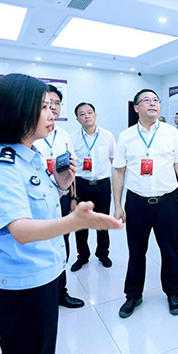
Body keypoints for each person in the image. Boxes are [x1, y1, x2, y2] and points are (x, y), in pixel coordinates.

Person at [0, 73, 121, 354]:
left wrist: (61, 185)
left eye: (52, 106)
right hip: (24, 288)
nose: (52, 113)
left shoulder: (28, 158)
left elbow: (36, 208)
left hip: (44, 277)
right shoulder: (3, 168)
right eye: (43, 107)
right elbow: (21, 230)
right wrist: (75, 222)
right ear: (18, 111)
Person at [113, 89, 178, 318]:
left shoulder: (171, 133)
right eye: (146, 100)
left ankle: (173, 292)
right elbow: (118, 171)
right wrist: (117, 205)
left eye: (156, 100)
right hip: (136, 203)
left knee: (169, 250)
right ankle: (133, 295)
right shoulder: (126, 136)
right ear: (136, 108)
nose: (152, 103)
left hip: (166, 202)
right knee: (136, 251)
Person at [33, 85, 84, 309]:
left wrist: (73, 198)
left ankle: (61, 291)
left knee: (62, 242)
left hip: (61, 196)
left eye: (56, 103)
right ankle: (42, 293)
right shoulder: (31, 134)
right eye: (47, 103)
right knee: (41, 244)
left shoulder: (63, 135)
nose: (53, 108)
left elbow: (72, 169)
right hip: (38, 199)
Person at [69, 103, 116, 271]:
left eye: (89, 112)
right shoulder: (73, 138)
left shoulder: (108, 136)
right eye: (82, 114)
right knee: (81, 223)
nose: (86, 116)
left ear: (95, 115)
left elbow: (112, 159)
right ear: (77, 119)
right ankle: (82, 256)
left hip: (102, 185)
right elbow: (71, 168)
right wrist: (73, 195)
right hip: (82, 184)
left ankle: (103, 253)